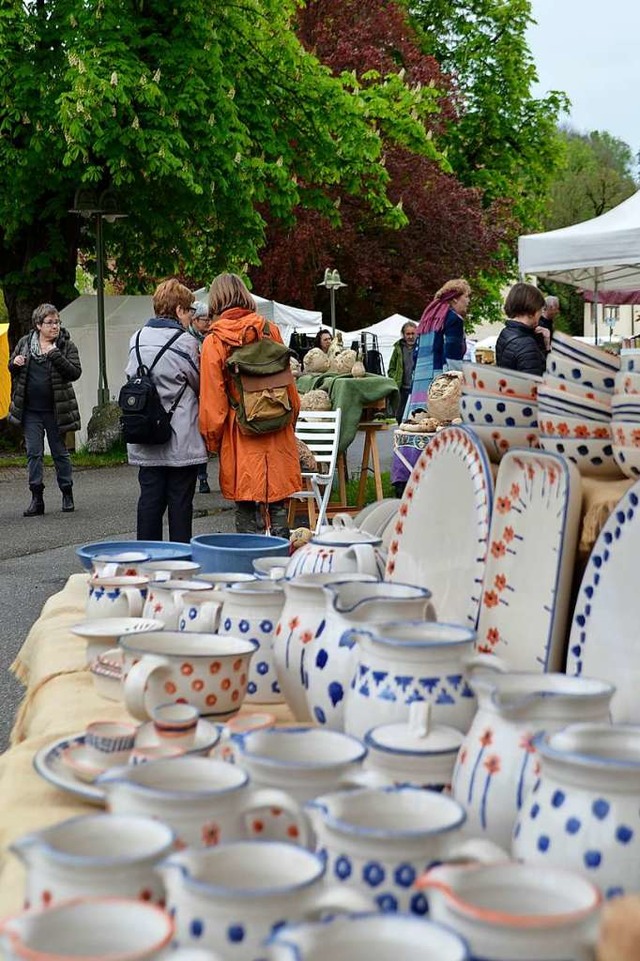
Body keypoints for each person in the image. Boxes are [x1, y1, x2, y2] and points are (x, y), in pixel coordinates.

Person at [199, 272, 302, 538]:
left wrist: (213, 442)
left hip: (240, 433)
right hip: (277, 427)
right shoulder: (270, 330)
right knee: (279, 504)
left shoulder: (214, 341)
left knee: (246, 504)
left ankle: (248, 566)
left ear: (216, 301)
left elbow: (213, 403)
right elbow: (290, 389)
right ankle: (280, 561)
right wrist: (289, 422)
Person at [125, 278, 206, 543]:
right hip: (179, 436)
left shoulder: (136, 339)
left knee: (149, 501)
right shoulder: (185, 343)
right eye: (190, 310)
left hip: (146, 434)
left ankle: (146, 561)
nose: (191, 316)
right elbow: (199, 384)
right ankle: (180, 565)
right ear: (180, 309)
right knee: (180, 505)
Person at [8, 304, 81, 516]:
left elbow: (75, 372)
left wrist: (55, 354)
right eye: (50, 322)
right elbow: (11, 367)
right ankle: (36, 499)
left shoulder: (66, 345)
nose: (55, 326)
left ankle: (67, 493)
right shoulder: (24, 343)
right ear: (38, 325)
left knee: (60, 454)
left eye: (57, 322)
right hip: (31, 411)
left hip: (57, 410)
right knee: (34, 454)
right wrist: (15, 363)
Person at [407, 278, 471, 416]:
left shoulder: (428, 320)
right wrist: (459, 381)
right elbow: (452, 355)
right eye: (466, 296)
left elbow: (416, 353)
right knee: (440, 424)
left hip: (420, 379)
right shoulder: (454, 319)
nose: (468, 301)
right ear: (454, 299)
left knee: (419, 421)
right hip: (440, 381)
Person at [495, 282, 548, 377]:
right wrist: (547, 347)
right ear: (533, 309)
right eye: (540, 309)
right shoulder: (527, 343)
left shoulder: (505, 332)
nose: (541, 314)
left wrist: (543, 342)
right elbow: (536, 383)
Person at [188, 300, 212, 494]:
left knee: (204, 435)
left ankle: (202, 476)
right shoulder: (187, 340)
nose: (209, 322)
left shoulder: (210, 338)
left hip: (207, 392)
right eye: (205, 319)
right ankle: (200, 476)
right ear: (195, 320)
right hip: (194, 393)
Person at [388, 320, 417, 423]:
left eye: (413, 333)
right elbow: (391, 368)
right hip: (402, 388)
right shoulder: (398, 348)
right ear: (403, 335)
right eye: (408, 334)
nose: (410, 336)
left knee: (416, 416)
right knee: (399, 416)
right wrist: (395, 378)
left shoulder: (420, 347)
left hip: (416, 387)